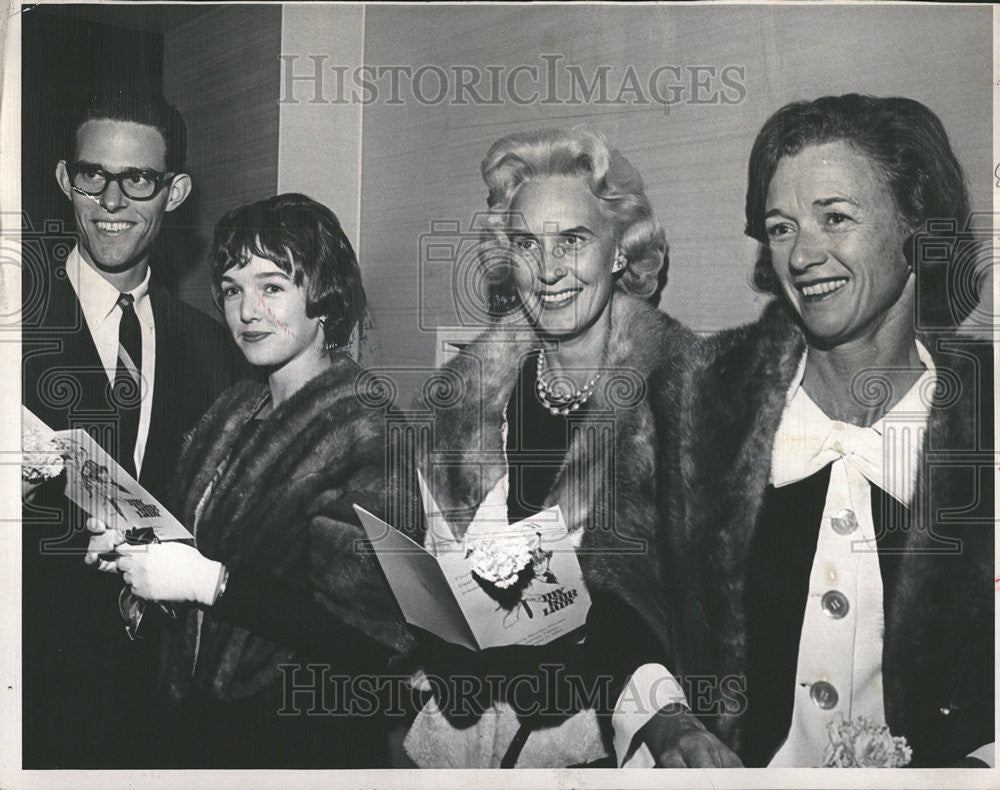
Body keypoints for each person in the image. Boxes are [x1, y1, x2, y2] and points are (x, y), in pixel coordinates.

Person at [642, 94, 993, 767]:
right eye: (780, 227)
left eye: (835, 218)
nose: (803, 254)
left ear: (917, 226)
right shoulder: (696, 401)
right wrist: (668, 725)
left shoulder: (987, 417)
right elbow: (622, 590)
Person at [405, 127, 722, 767]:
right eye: (527, 243)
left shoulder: (684, 402)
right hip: (462, 734)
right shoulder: (465, 398)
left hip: (598, 736)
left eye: (572, 241)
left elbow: (688, 605)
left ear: (618, 251)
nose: (546, 271)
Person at [86, 193, 414, 767]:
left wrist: (211, 583)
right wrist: (135, 548)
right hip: (202, 724)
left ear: (322, 295)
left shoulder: (367, 429)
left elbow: (370, 642)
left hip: (298, 738)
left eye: (272, 287)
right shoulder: (236, 407)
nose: (246, 311)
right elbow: (197, 541)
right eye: (234, 289)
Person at [21, 91, 246, 768]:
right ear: (66, 179)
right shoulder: (11, 325)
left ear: (174, 191)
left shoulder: (216, 348)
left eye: (138, 180)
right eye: (93, 175)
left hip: (163, 700)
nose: (112, 201)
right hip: (31, 686)